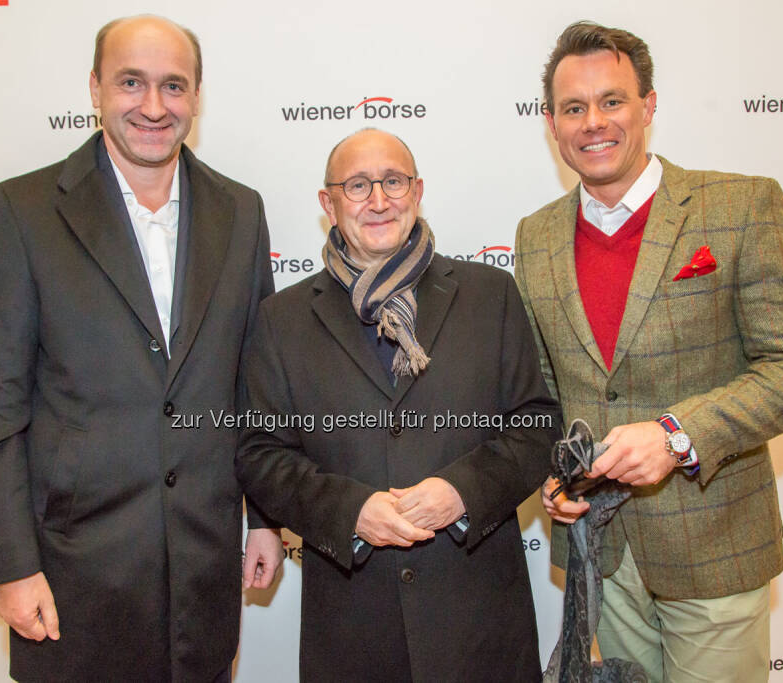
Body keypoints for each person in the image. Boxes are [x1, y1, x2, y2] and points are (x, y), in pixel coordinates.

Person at [514, 21, 783, 682]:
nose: (593, 122)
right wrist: (555, 475)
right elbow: (545, 390)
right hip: (598, 552)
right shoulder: (536, 235)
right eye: (573, 108)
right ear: (551, 122)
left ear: (649, 105)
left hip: (714, 540)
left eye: (613, 100)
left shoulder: (740, 206)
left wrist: (677, 434)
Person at [0, 15, 282, 682]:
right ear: (94, 88)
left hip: (204, 579)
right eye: (131, 82)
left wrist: (267, 520)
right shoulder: (23, 212)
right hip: (72, 580)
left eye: (174, 85)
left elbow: (257, 388)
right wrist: (14, 564)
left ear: (196, 96)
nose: (153, 106)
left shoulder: (243, 212)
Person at [235, 128, 561, 682]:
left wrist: (460, 492)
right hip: (352, 629)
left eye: (393, 181)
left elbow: (535, 428)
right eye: (357, 185)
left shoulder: (490, 294)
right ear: (327, 203)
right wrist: (349, 512)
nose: (379, 200)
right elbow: (261, 454)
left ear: (418, 190)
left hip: (479, 621)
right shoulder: (281, 319)